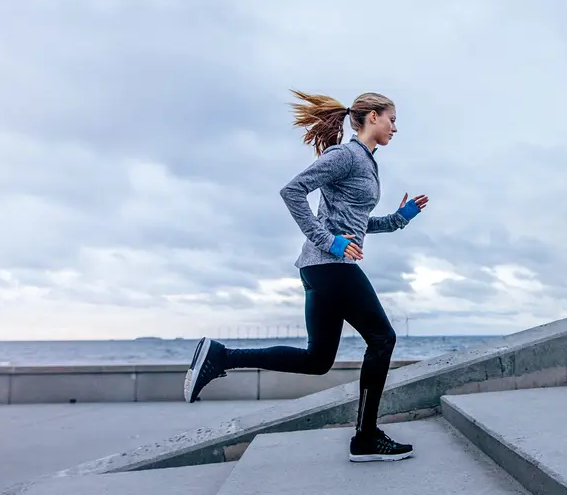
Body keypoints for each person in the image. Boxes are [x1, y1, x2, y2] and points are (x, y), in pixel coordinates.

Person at [183, 90, 428, 463]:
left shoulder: (365, 161)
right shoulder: (345, 155)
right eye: (392, 119)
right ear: (373, 117)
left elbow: (356, 224)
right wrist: (328, 242)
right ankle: (365, 437)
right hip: (330, 267)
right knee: (383, 338)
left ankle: (221, 356)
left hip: (320, 268)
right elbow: (292, 191)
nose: (396, 127)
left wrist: (399, 219)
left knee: (318, 360)